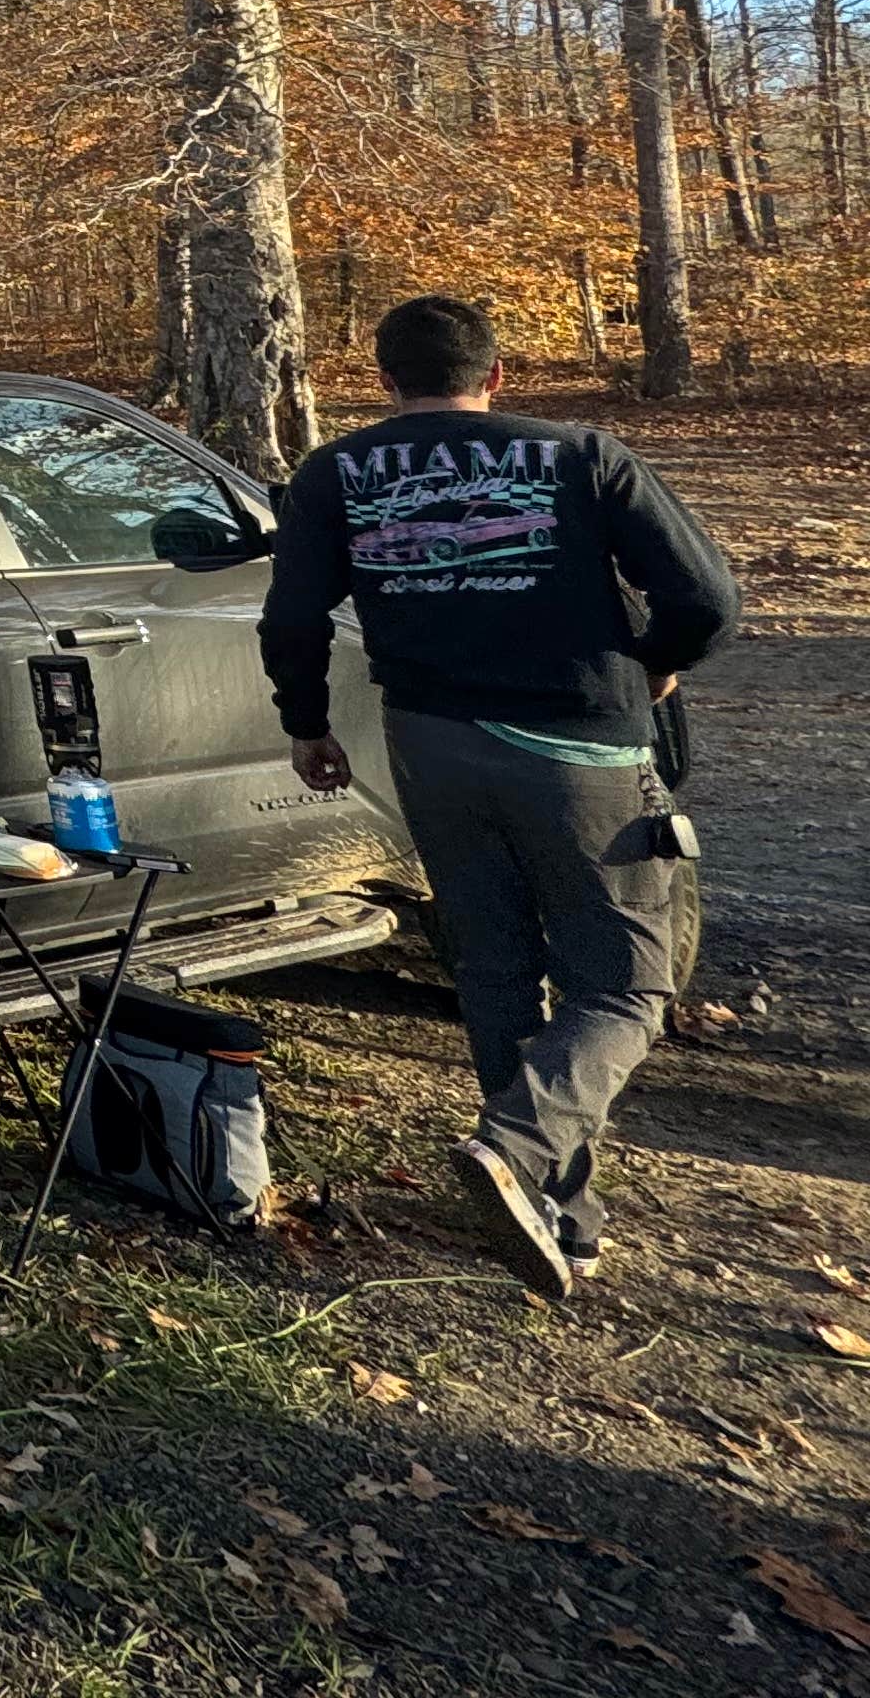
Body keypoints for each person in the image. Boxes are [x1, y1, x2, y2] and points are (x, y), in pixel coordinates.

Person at [260, 294, 738, 1298]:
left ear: (385, 382)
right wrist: (657, 664)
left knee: (495, 960)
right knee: (626, 983)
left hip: (429, 743)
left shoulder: (335, 473)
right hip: (580, 750)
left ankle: (563, 1213)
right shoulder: (581, 456)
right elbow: (706, 599)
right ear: (498, 374)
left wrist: (307, 723)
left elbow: (293, 617)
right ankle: (517, 1149)